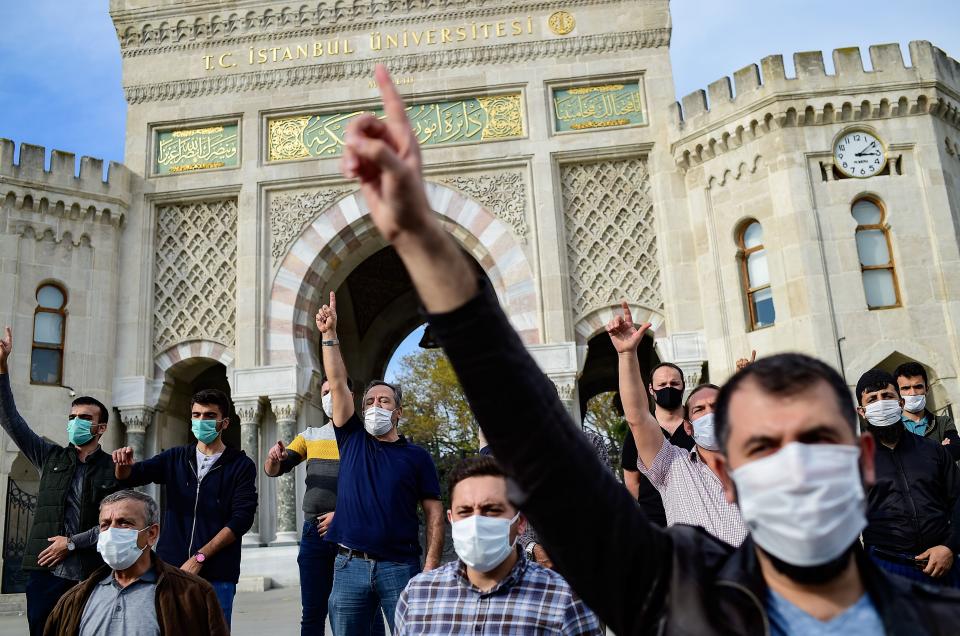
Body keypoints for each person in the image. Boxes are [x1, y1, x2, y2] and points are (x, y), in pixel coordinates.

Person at [338, 65, 960, 634]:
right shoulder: (683, 591)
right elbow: (541, 450)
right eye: (764, 448)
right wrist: (422, 238)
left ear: (860, 462)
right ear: (728, 475)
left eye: (815, 441)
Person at [316, 291, 444, 635]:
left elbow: (433, 513)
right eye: (370, 400)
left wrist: (431, 564)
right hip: (348, 565)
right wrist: (330, 335)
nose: (374, 405)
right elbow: (339, 384)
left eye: (383, 400)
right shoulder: (353, 438)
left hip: (399, 568)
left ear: (398, 412)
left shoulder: (416, 456)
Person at [0, 326, 122, 636]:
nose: (76, 423)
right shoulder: (49, 456)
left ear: (101, 428)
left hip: (93, 574)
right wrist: (2, 369)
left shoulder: (114, 469)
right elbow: (10, 419)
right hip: (45, 573)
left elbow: (116, 526)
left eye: (84, 418)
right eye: (72, 418)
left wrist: (71, 543)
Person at [395, 456, 602, 634]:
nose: (476, 522)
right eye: (465, 511)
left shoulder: (563, 600)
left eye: (492, 510)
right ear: (451, 518)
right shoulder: (417, 595)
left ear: (520, 522)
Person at [111, 388, 257, 627]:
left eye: (209, 416)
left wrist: (200, 557)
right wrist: (122, 465)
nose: (201, 421)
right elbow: (132, 476)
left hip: (218, 575)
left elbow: (241, 519)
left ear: (225, 422)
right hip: (170, 569)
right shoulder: (175, 458)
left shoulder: (240, 465)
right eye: (196, 415)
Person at [610, 304, 747, 546]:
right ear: (689, 427)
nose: (709, 415)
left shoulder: (754, 466)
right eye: (699, 410)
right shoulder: (672, 466)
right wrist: (627, 355)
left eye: (717, 407)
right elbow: (638, 416)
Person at [263, 377, 385, 635]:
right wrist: (274, 458)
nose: (330, 396)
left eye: (336, 390)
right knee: (313, 613)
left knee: (366, 611)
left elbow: (378, 491)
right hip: (315, 534)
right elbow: (275, 470)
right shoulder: (310, 436)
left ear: (351, 395)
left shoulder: (367, 437)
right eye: (325, 392)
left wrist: (343, 517)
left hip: (356, 535)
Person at [44, 489, 229, 635]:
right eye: (105, 524)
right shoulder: (74, 599)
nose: (112, 532)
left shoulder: (192, 594)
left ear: (151, 534)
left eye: (124, 523)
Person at [856, 368, 960, 586]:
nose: (881, 403)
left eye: (887, 396)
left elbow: (958, 499)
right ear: (862, 411)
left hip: (944, 564)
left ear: (901, 403)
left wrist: (950, 546)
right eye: (872, 399)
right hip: (887, 570)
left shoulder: (933, 451)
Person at [620, 362, 695, 526]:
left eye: (674, 383)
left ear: (683, 386)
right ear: (651, 389)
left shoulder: (697, 425)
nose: (668, 388)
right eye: (662, 384)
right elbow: (632, 481)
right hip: (655, 520)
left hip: (696, 517)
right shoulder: (639, 432)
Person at [893, 361, 960, 460]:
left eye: (918, 387)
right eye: (906, 388)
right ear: (897, 393)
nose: (913, 393)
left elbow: (956, 450)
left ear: (926, 389)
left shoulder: (943, 422)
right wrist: (939, 448)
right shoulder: (892, 427)